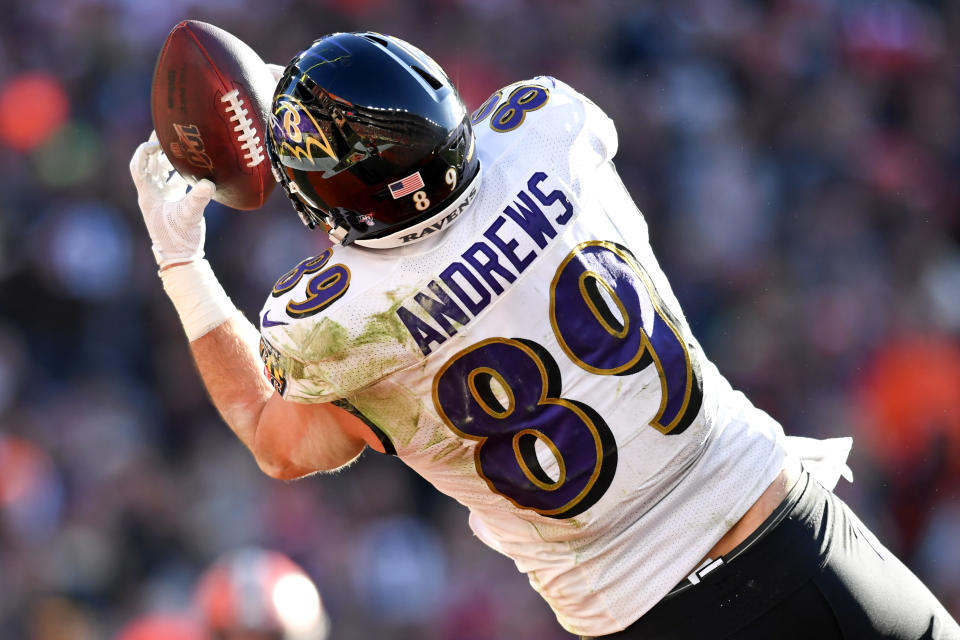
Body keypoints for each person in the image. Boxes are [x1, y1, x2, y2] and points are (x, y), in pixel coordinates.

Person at [130, 31, 960, 639]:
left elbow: (279, 444)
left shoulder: (338, 327)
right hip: (797, 529)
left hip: (650, 613)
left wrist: (182, 264)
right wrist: (318, 97)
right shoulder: (547, 128)